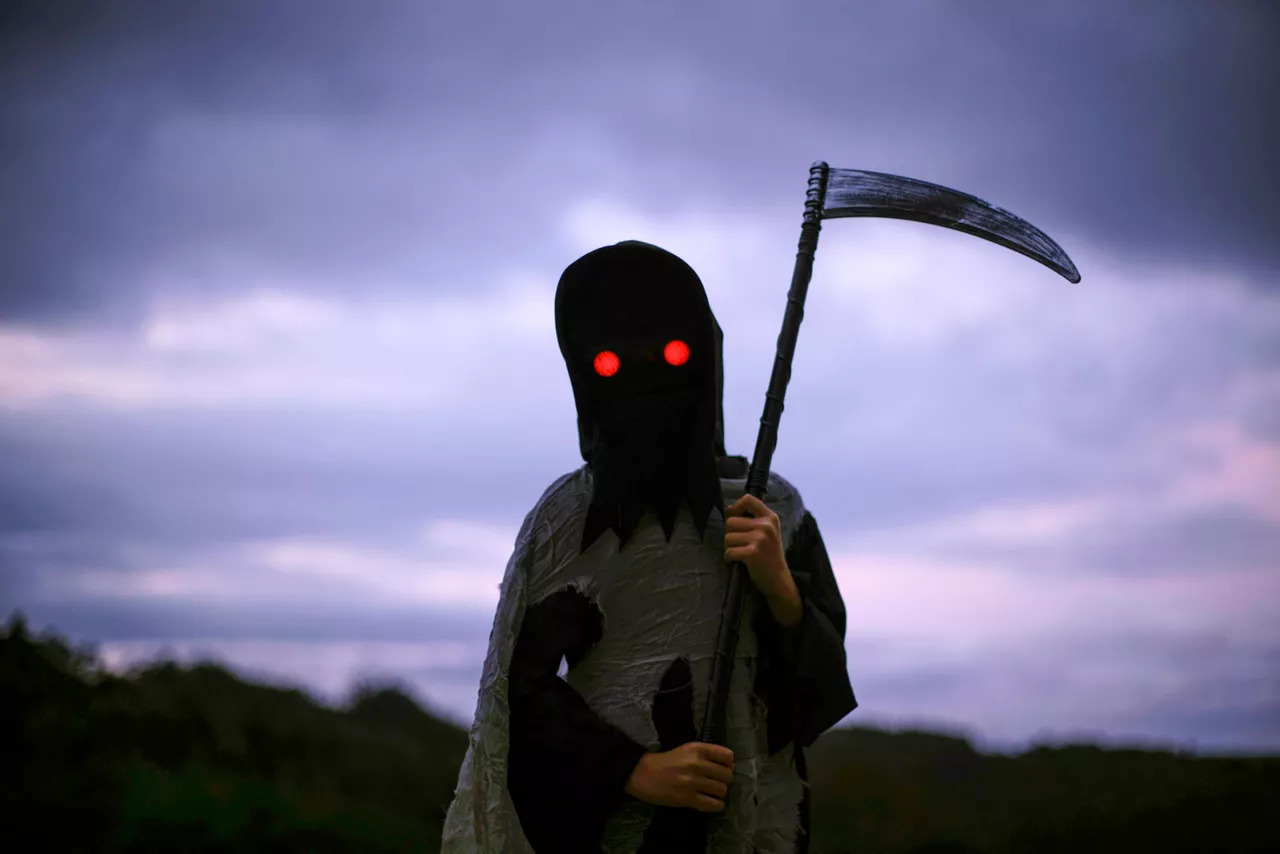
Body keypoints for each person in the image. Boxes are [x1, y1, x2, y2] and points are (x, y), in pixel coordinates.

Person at [441, 241, 856, 853]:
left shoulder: (774, 511)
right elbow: (519, 689)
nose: (644, 377)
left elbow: (816, 695)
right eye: (608, 365)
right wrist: (630, 769)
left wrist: (780, 587)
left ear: (704, 359)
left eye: (672, 354)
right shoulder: (568, 520)